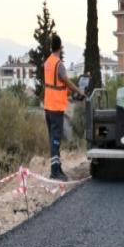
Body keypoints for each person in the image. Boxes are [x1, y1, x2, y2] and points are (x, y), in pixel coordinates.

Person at [43, 35, 83, 181]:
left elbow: (56, 84)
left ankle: (57, 168)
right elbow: (66, 81)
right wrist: (79, 91)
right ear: (60, 47)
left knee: (53, 139)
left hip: (48, 106)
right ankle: (55, 172)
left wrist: (69, 94)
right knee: (55, 140)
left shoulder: (47, 62)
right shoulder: (58, 64)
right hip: (55, 107)